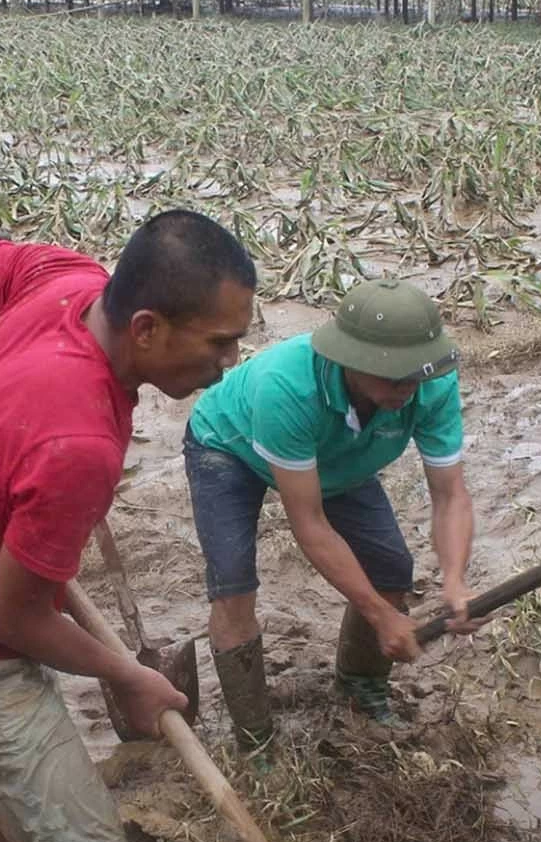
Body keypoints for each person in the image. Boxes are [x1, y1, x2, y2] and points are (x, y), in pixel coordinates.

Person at [0, 212, 256, 842]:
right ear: (146, 327)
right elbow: (15, 622)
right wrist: (126, 676)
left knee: (29, 750)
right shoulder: (77, 442)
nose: (226, 363)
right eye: (220, 343)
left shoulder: (64, 278)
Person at [183, 278, 485, 751]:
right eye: (393, 376)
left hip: (334, 458)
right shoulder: (286, 387)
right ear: (351, 361)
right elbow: (310, 523)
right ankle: (256, 737)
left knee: (390, 570)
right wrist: (381, 616)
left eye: (415, 376)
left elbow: (450, 496)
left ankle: (361, 690)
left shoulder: (430, 385)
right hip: (230, 446)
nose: (407, 389)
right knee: (235, 587)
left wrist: (454, 580)